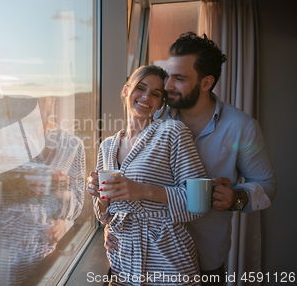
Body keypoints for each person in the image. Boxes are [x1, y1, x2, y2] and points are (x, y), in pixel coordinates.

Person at [103, 33, 277, 285]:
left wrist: (237, 197)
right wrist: (112, 223)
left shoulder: (241, 127)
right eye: (168, 75)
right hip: (147, 256)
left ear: (206, 83)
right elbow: (128, 185)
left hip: (205, 256)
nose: (168, 86)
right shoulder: (155, 117)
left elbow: (267, 185)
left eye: (179, 78)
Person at [87, 65, 208, 285]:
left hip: (167, 258)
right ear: (125, 90)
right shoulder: (107, 146)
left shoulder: (173, 132)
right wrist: (98, 194)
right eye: (140, 88)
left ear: (162, 103)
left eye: (155, 93)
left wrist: (144, 191)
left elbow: (200, 203)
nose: (146, 97)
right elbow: (105, 216)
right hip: (122, 259)